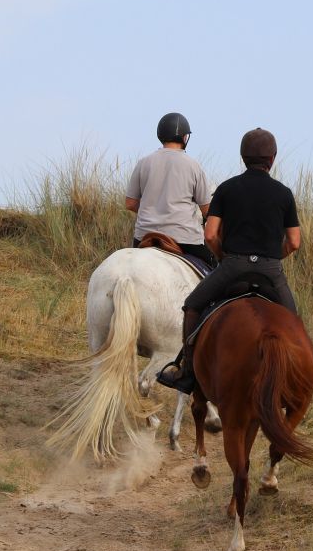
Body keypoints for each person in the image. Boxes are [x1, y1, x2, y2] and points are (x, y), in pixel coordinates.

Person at [158, 128, 301, 394]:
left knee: (192, 305)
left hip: (233, 266)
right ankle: (294, 377)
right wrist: (272, 257)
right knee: (293, 321)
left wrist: (224, 257)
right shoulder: (284, 193)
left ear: (242, 158)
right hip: (270, 271)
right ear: (272, 159)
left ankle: (188, 372)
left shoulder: (226, 189)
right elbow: (294, 242)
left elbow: (210, 234)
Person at [125, 112, 216, 267]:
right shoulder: (193, 165)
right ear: (185, 137)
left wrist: (153, 209)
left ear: (160, 135)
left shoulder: (143, 163)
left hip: (144, 236)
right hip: (184, 238)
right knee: (211, 266)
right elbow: (206, 209)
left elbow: (130, 203)